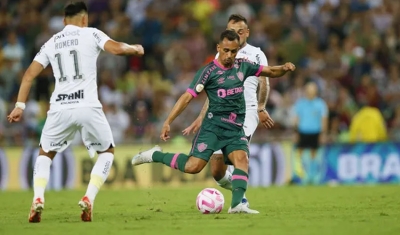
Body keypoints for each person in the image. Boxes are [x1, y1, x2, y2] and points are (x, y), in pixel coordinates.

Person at [7, 1, 144, 223]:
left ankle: (38, 199)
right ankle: (88, 198)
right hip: (88, 106)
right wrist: (135, 48)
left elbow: (29, 75)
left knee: (45, 153)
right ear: (84, 19)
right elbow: (117, 48)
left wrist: (20, 106)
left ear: (63, 21)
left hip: (60, 107)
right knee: (107, 151)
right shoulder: (91, 33)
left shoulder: (51, 42)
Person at [131, 30, 295, 213]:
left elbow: (270, 71)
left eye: (233, 51)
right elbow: (187, 97)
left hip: (235, 128)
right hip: (213, 128)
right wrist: (168, 121)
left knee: (242, 158)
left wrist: (284, 68)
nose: (229, 55)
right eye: (226, 50)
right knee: (194, 167)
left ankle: (237, 205)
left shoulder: (243, 66)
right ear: (218, 48)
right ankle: (156, 155)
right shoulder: (208, 72)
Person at [182, 14, 273, 208]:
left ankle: (239, 203)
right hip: (220, 115)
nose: (236, 35)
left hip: (246, 111)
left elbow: (264, 82)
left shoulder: (256, 53)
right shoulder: (222, 54)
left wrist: (261, 107)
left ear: (246, 32)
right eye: (232, 32)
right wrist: (200, 117)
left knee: (238, 156)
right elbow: (214, 93)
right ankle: (239, 196)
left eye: (240, 32)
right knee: (217, 170)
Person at [292, 82, 328, 183]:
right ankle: (300, 176)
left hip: (315, 132)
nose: (309, 93)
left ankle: (313, 176)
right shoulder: (300, 103)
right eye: (308, 91)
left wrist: (323, 133)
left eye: (311, 91)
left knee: (314, 154)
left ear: (315, 92)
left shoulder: (320, 104)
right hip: (303, 131)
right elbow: (296, 119)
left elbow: (324, 119)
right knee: (299, 154)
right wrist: (295, 132)